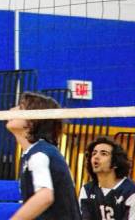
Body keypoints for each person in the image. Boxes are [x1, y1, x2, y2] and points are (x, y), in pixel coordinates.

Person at [6, 91, 81, 220]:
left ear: (33, 121)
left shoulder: (39, 154)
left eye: (20, 107)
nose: (12, 109)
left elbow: (44, 197)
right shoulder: (30, 154)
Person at [79, 136, 135, 220]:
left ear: (115, 163)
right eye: (94, 153)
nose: (96, 156)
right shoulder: (87, 190)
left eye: (103, 153)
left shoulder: (132, 193)